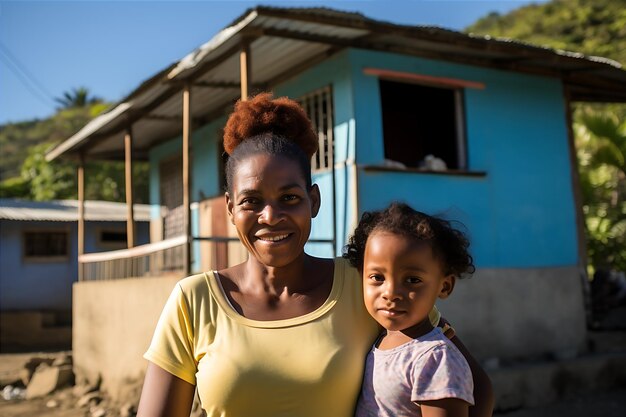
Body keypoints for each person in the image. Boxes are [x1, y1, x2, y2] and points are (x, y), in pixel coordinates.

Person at [136, 93, 493, 417]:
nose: (271, 216)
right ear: (230, 208)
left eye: (289, 197)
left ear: (314, 201)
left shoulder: (369, 286)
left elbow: (472, 387)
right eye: (251, 201)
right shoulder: (193, 301)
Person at [344, 203, 476, 417]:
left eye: (412, 280)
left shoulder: (435, 359)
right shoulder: (379, 339)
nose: (391, 292)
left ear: (444, 286)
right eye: (377, 278)